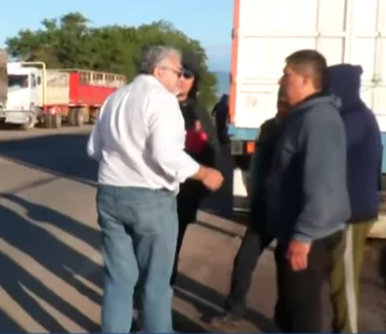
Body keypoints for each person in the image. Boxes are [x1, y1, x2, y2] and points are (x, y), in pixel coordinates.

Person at [87, 45, 225, 333]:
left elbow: (94, 149)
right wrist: (204, 173)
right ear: (158, 71)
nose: (180, 78)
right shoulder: (162, 100)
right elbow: (166, 154)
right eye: (177, 71)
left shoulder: (115, 98)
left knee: (118, 281)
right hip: (150, 199)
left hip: (110, 194)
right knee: (156, 286)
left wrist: (124, 163)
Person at [266, 49, 350, 333]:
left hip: (310, 238)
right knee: (289, 313)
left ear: (305, 79)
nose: (281, 81)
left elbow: (322, 183)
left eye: (287, 75)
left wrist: (303, 236)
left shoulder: (318, 120)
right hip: (299, 231)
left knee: (303, 318)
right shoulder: (304, 116)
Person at [210, 86, 289, 327]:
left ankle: (283, 320)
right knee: (243, 261)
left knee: (287, 270)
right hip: (263, 207)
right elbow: (257, 163)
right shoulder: (268, 127)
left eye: (285, 100)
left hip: (288, 209)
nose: (282, 104)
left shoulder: (300, 127)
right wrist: (253, 188)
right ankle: (233, 310)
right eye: (280, 99)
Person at [327, 64, 383, 334]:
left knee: (344, 281)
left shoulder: (355, 119)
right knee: (337, 278)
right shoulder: (353, 115)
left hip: (353, 212)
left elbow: (329, 148)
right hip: (349, 209)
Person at [170, 52, 223, 287]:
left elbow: (212, 153)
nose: (181, 79)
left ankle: (162, 293)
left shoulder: (198, 112)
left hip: (184, 192)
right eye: (178, 74)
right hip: (153, 190)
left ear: (194, 81)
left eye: (187, 75)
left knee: (171, 247)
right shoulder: (157, 105)